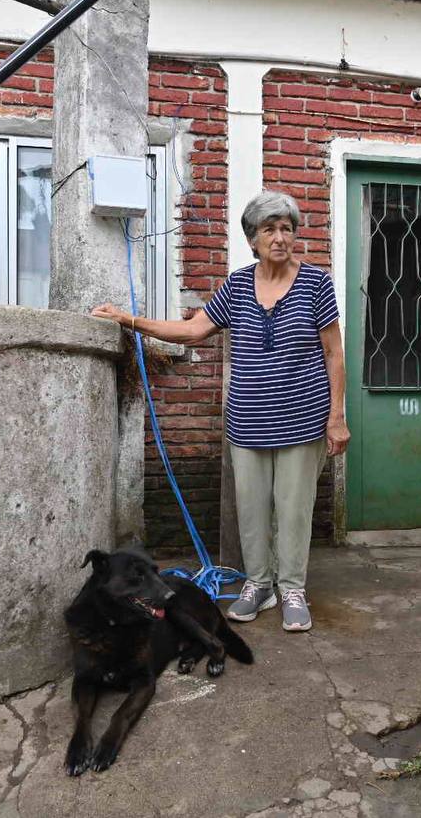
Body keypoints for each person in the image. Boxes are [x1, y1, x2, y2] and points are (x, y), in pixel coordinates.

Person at [92, 190, 349, 632]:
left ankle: (291, 588)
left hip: (302, 418)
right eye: (269, 229)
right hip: (247, 421)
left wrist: (337, 416)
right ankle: (258, 584)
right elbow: (193, 331)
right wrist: (129, 320)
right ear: (252, 239)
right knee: (250, 510)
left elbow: (334, 353)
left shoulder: (315, 282)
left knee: (292, 509)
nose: (280, 237)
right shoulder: (237, 284)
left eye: (287, 228)